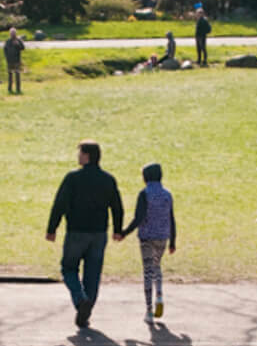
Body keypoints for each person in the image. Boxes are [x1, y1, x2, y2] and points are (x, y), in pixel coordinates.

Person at [46, 141, 124, 329]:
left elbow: (60, 203)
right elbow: (117, 206)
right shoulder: (108, 179)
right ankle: (87, 308)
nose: (78, 156)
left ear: (87, 156)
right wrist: (117, 229)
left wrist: (52, 228)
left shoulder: (73, 178)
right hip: (99, 233)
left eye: (80, 153)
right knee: (93, 273)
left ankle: (81, 300)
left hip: (76, 231)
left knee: (68, 268)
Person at [117, 161, 176, 320]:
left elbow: (139, 218)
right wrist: (173, 241)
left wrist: (124, 233)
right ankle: (160, 296)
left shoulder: (144, 194)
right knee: (157, 266)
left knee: (147, 272)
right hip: (163, 236)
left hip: (146, 237)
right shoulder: (167, 194)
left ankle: (149, 309)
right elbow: (171, 218)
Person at [4, 29, 26, 94]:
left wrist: (18, 44)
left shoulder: (19, 40)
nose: (12, 34)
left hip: (17, 60)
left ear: (16, 33)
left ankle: (18, 89)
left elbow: (23, 48)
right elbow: (5, 50)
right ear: (9, 34)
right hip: (9, 61)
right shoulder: (7, 41)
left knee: (17, 75)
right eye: (11, 33)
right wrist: (6, 57)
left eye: (14, 33)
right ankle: (9, 88)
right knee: (10, 75)